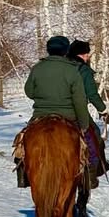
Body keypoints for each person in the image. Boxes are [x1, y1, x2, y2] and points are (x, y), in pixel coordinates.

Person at [14, 35, 90, 188]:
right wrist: (83, 123)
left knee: (21, 143)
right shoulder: (72, 70)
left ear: (48, 50)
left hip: (40, 116)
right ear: (65, 51)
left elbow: (29, 91)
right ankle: (86, 177)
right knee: (85, 150)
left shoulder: (37, 68)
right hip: (68, 116)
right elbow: (80, 100)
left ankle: (22, 174)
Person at [67, 40, 109, 187]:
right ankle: (95, 171)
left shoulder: (62, 66)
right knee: (95, 136)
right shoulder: (83, 70)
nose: (87, 57)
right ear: (81, 55)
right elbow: (92, 94)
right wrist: (103, 111)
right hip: (76, 111)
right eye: (86, 54)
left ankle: (23, 171)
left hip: (49, 110)